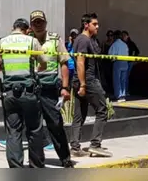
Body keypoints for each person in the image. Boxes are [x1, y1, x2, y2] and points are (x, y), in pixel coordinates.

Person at [0, 18, 48, 168]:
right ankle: (37, 167)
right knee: (34, 130)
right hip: (29, 93)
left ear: (12, 28)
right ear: (27, 30)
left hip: (9, 94)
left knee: (13, 132)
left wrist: (3, 67)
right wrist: (34, 70)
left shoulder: (1, 43)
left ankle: (16, 169)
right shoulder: (31, 42)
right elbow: (44, 64)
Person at [28, 11, 75, 168]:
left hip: (49, 89)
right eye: (35, 22)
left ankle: (65, 158)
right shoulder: (27, 41)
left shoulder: (55, 39)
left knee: (55, 124)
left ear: (46, 23)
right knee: (34, 128)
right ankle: (36, 162)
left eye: (41, 22)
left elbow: (64, 63)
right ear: (31, 25)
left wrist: (65, 87)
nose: (38, 25)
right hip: (31, 89)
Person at [69, 13, 110, 158]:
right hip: (88, 81)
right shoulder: (83, 40)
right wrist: (83, 85)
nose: (98, 26)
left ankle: (75, 147)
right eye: (95, 24)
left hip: (85, 81)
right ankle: (95, 145)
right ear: (86, 25)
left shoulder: (90, 40)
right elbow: (80, 62)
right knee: (102, 110)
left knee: (79, 115)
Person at [108, 30, 129, 102]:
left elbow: (110, 54)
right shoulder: (125, 44)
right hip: (125, 62)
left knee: (117, 80)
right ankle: (123, 94)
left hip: (117, 62)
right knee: (123, 80)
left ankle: (118, 95)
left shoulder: (114, 44)